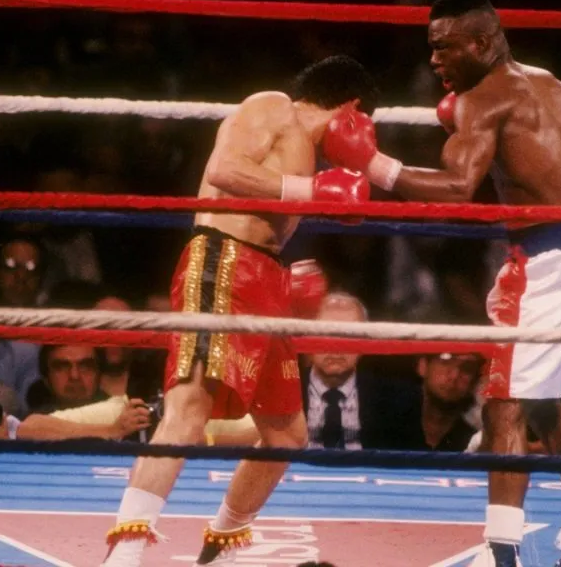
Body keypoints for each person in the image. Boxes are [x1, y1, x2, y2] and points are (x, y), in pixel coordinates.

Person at [318, 0, 561, 565]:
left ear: (483, 42)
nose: (435, 60)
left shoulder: (482, 99)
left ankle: (502, 552)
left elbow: (456, 190)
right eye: (430, 48)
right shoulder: (549, 84)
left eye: (445, 47)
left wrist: (372, 166)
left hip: (551, 261)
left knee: (502, 404)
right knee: (540, 401)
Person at [100, 55, 378, 567]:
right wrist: (313, 191)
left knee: (286, 433)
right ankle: (125, 554)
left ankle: (220, 544)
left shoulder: (315, 156)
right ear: (353, 110)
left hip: (267, 275)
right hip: (221, 261)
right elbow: (223, 171)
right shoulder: (273, 107)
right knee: (187, 410)